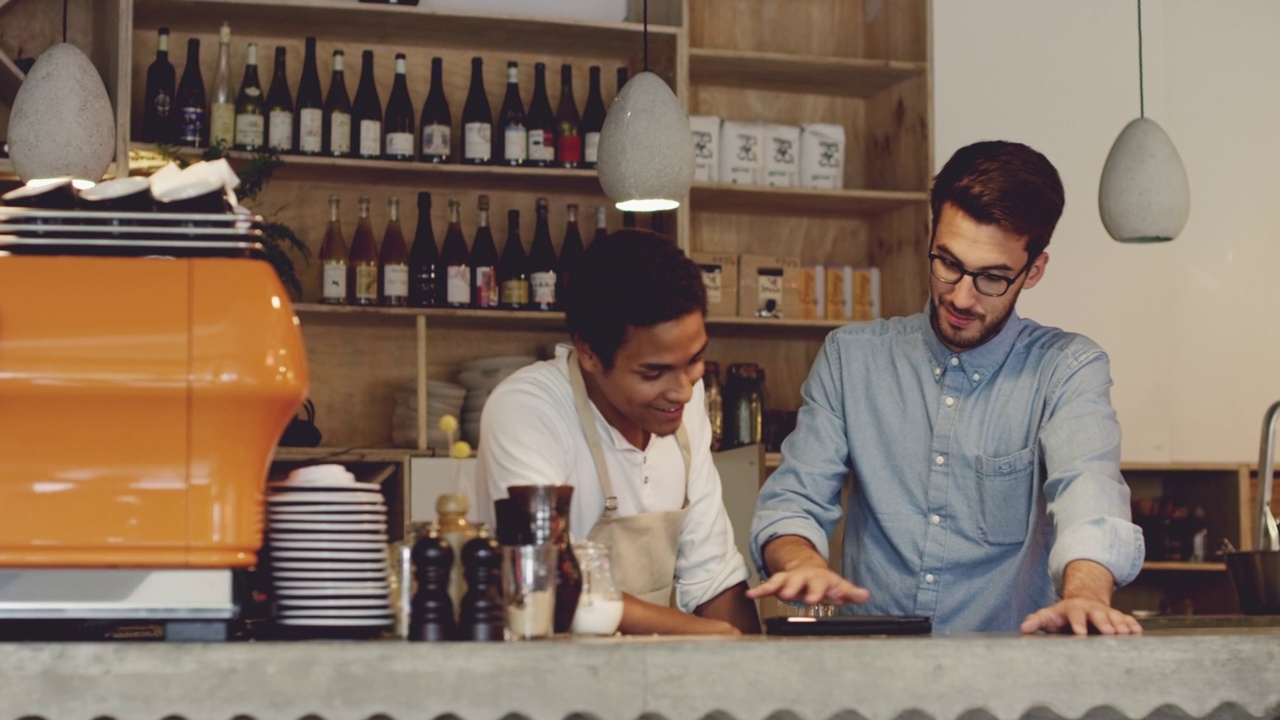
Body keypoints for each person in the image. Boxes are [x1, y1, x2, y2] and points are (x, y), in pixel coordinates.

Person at [748, 140, 1145, 635]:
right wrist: (801, 561)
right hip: (871, 675)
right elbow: (794, 502)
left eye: (993, 278)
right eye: (948, 262)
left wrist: (1085, 594)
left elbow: (1089, 490)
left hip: (1007, 682)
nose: (960, 296)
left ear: (1034, 271)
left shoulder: (1066, 369)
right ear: (930, 234)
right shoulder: (851, 359)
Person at [474, 229, 760, 635]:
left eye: (695, 359)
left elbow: (712, 574)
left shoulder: (685, 401)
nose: (682, 389)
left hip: (644, 678)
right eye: (653, 372)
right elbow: (547, 580)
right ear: (589, 353)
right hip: (542, 678)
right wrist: (708, 635)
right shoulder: (528, 409)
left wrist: (757, 663)